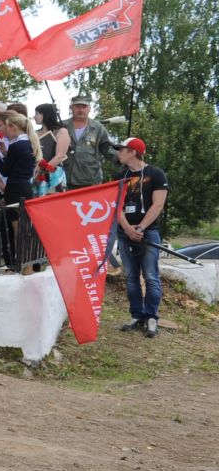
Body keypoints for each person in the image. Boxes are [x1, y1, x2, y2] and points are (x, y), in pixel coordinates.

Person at [113, 137, 167, 338]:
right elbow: (116, 206)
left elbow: (158, 204)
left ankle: (152, 317)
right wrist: (128, 229)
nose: (118, 153)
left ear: (132, 152)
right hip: (125, 232)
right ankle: (137, 315)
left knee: (151, 276)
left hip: (149, 231)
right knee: (131, 277)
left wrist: (142, 227)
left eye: (121, 149)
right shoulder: (119, 176)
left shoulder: (156, 174)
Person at [0, 111, 36, 271]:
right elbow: (18, 164)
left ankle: (24, 265)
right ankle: (28, 264)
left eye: (6, 127)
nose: (4, 130)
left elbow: (5, 171)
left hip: (14, 188)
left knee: (19, 229)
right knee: (25, 227)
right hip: (26, 186)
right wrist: (6, 153)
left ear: (12, 127)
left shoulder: (16, 145)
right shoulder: (30, 143)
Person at [62, 95, 116, 190]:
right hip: (66, 181)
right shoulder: (62, 126)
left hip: (91, 182)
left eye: (84, 106)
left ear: (89, 108)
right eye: (77, 106)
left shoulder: (98, 128)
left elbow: (108, 149)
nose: (81, 110)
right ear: (71, 107)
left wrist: (121, 158)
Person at [32, 102, 70, 195]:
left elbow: (60, 156)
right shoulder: (34, 133)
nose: (34, 116)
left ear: (45, 114)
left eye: (37, 113)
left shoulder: (61, 131)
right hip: (35, 173)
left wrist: (42, 169)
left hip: (53, 174)